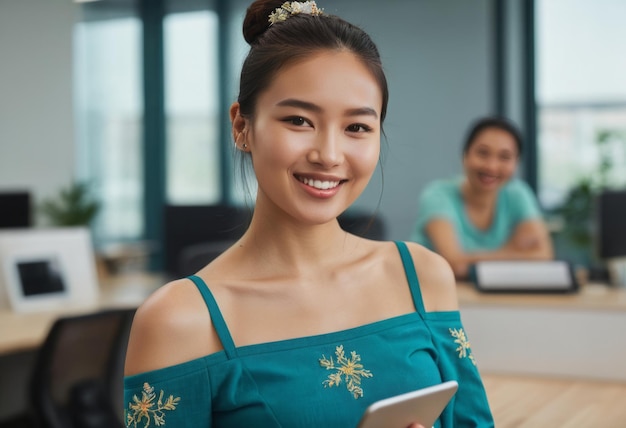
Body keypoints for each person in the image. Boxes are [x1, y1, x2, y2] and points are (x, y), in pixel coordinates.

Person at [123, 1, 494, 427]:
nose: (329, 155)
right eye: (299, 120)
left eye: (357, 127)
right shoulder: (180, 320)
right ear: (242, 126)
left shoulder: (422, 277)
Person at [410, 117, 554, 280]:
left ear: (516, 163)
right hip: (430, 297)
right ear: (465, 155)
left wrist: (469, 260)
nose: (492, 166)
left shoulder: (518, 194)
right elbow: (454, 265)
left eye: (505, 157)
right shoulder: (437, 195)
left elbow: (544, 255)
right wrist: (513, 251)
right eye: (482, 153)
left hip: (491, 300)